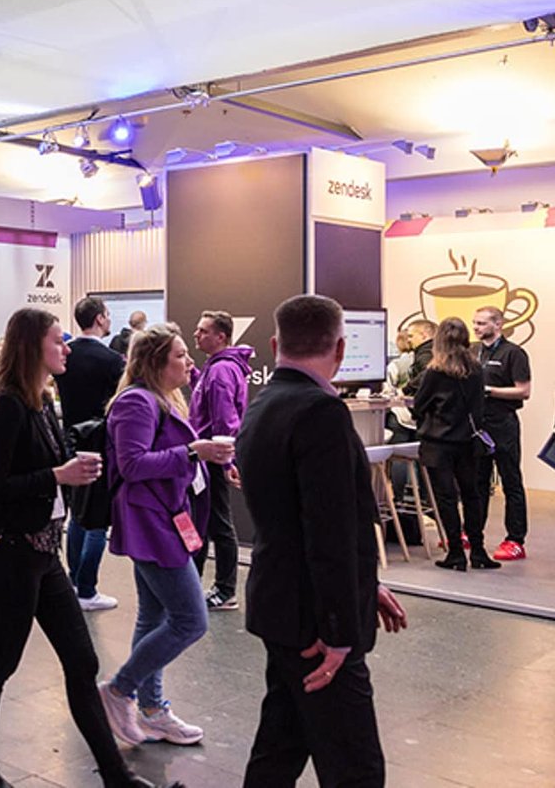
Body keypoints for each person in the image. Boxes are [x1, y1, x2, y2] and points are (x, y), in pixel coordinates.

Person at [0, 308, 173, 788]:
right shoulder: (9, 406)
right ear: (33, 346)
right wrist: (58, 475)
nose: (67, 349)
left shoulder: (42, 401)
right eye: (58, 341)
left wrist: (73, 465)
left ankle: (116, 775)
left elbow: (46, 467)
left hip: (43, 554)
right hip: (14, 556)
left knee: (82, 662)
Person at [236, 294, 409, 786]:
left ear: (275, 345)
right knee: (356, 768)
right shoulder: (320, 412)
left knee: (280, 745)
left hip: (281, 605)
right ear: (340, 348)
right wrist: (338, 630)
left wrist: (366, 584)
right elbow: (329, 532)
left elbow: (303, 522)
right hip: (314, 623)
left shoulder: (264, 404)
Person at [98, 324, 226, 748]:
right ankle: (120, 690)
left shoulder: (163, 399)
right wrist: (192, 452)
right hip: (150, 521)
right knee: (190, 620)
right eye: (180, 355)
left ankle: (152, 710)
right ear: (155, 362)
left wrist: (206, 459)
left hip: (164, 516)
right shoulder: (136, 402)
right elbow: (132, 464)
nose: (189, 362)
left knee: (153, 617)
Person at [53, 297, 125, 613]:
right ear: (99, 319)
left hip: (69, 439)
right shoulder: (112, 360)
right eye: (107, 315)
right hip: (100, 441)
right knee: (97, 518)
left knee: (77, 515)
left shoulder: (66, 355)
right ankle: (87, 588)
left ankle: (73, 582)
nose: (109, 320)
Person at [413, 317, 498, 572]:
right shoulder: (476, 369)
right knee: (471, 495)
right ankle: (479, 550)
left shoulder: (435, 371)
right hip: (468, 442)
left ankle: (456, 552)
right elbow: (479, 405)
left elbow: (419, 405)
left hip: (438, 443)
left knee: (446, 498)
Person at [188, 310, 253, 612]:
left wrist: (225, 462)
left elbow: (225, 419)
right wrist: (193, 374)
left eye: (203, 331)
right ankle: (199, 585)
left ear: (221, 337)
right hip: (208, 457)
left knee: (219, 523)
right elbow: (208, 403)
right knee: (205, 521)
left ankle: (225, 590)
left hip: (213, 458)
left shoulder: (222, 370)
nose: (196, 335)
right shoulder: (215, 368)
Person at [472, 305, 531, 561]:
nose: (476, 327)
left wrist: (489, 391)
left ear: (498, 324)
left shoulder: (513, 353)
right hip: (478, 425)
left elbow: (523, 391)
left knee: (511, 481)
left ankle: (515, 539)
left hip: (503, 423)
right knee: (477, 482)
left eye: (481, 323)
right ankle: (473, 532)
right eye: (475, 323)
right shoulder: (473, 351)